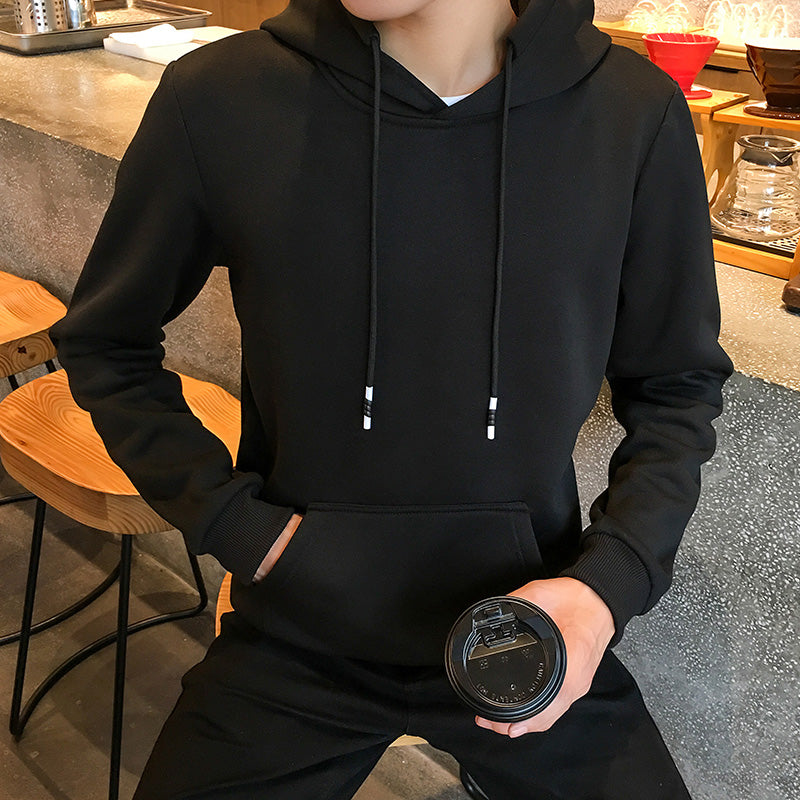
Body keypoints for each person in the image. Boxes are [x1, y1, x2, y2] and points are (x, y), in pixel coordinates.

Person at [51, 0, 733, 797]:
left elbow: (677, 385)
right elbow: (107, 341)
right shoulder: (221, 97)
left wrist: (605, 587)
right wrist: (234, 523)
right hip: (298, 631)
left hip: (523, 631)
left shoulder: (633, 113)